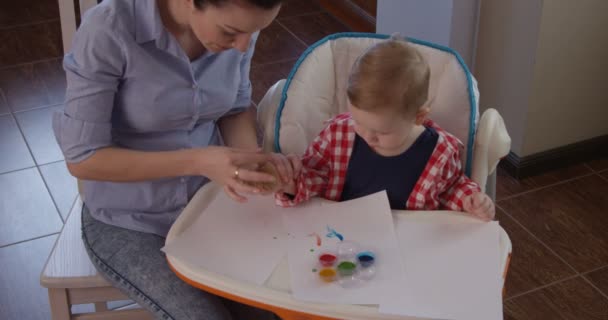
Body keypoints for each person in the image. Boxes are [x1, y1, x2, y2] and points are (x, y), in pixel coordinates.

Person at [53, 0, 296, 318]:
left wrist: (252, 162)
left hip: (210, 204)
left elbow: (234, 109)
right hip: (128, 221)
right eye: (231, 32)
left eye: (254, 33)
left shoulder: (240, 27)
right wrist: (198, 161)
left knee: (275, 309)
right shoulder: (109, 29)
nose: (242, 47)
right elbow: (83, 159)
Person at [275, 37, 495, 221]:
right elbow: (317, 175)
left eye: (382, 132)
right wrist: (292, 184)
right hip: (341, 237)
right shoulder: (338, 134)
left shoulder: (441, 154)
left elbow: (451, 189)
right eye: (358, 121)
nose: (367, 135)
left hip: (408, 248)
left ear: (418, 117)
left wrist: (470, 200)